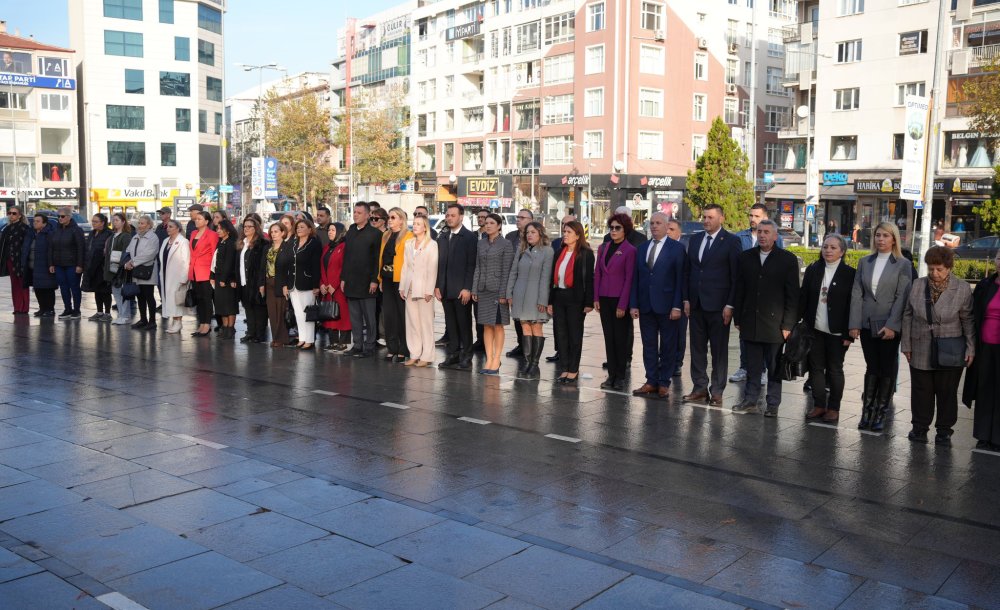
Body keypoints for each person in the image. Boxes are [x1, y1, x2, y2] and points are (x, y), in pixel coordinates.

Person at [901, 246, 975, 445]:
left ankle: (944, 431)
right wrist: (906, 344)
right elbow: (907, 315)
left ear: (949, 268)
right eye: (931, 268)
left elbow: (968, 320)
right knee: (921, 391)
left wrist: (971, 347)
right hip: (920, 345)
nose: (935, 273)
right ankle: (919, 427)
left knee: (947, 391)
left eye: (939, 269)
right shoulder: (917, 285)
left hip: (950, 348)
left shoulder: (962, 288)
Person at [849, 222, 913, 432]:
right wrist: (854, 323)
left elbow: (902, 298)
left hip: (888, 326)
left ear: (894, 239)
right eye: (878, 235)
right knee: (872, 367)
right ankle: (867, 412)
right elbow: (857, 293)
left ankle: (881, 413)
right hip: (867, 324)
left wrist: (892, 326)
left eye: (886, 235)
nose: (881, 239)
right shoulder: (864, 261)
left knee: (886, 368)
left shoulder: (903, 264)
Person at [731, 220, 800, 416]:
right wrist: (738, 318)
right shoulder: (746, 257)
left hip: (775, 325)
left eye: (767, 232)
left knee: (774, 367)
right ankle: (750, 399)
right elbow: (739, 289)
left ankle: (772, 404)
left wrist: (788, 324)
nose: (762, 235)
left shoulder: (787, 259)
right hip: (750, 321)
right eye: (760, 231)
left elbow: (793, 295)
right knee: (753, 366)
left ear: (775, 236)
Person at [683, 204, 742, 407]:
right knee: (697, 349)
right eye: (704, 217)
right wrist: (686, 299)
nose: (706, 221)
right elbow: (689, 271)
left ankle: (717, 391)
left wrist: (730, 304)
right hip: (696, 304)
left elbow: (735, 277)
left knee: (718, 351)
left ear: (721, 219)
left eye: (710, 217)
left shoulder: (731, 241)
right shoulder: (695, 239)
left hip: (719, 306)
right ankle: (699, 388)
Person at [799, 234, 855, 423]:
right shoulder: (813, 269)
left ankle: (833, 408)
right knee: (815, 368)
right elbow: (803, 297)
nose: (828, 250)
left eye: (833, 247)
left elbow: (852, 305)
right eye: (825, 247)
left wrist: (849, 333)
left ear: (842, 251)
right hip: (814, 329)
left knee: (834, 369)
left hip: (838, 332)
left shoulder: (850, 274)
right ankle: (819, 405)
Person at [629, 213, 685, 399]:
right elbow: (636, 278)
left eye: (658, 223)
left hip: (668, 306)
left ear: (667, 226)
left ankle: (664, 382)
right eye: (652, 223)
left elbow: (680, 279)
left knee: (668, 346)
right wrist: (634, 304)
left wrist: (677, 306)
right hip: (646, 305)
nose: (654, 226)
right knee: (649, 345)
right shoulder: (642, 248)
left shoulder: (677, 248)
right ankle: (651, 380)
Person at [731, 204, 783, 383]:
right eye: (751, 215)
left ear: (765, 217)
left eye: (757, 216)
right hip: (747, 294)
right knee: (745, 335)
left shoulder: (776, 238)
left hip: (767, 298)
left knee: (765, 336)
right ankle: (744, 367)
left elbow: (778, 261)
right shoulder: (739, 237)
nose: (753, 219)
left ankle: (763, 369)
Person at [594, 213, 637, 391]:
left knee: (620, 339)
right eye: (611, 227)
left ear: (625, 230)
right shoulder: (603, 247)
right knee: (609, 338)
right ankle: (611, 375)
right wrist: (596, 298)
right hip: (604, 298)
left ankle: (620, 377)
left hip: (619, 300)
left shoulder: (630, 250)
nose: (613, 231)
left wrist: (623, 304)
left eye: (617, 228)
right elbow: (597, 274)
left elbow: (629, 279)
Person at [506, 221, 554, 378]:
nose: (529, 235)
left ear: (540, 233)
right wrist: (509, 293)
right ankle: (527, 363)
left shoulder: (547, 251)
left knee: (536, 328)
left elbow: (546, 278)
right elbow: (513, 272)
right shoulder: (521, 250)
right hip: (520, 294)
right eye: (527, 232)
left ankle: (534, 365)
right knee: (525, 328)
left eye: (533, 232)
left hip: (536, 295)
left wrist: (543, 300)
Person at [549, 220, 594, 385]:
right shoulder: (559, 252)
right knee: (561, 335)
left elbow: (589, 279)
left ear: (578, 235)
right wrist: (550, 301)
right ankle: (564, 368)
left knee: (574, 335)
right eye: (564, 231)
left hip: (576, 299)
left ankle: (573, 370)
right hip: (559, 296)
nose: (565, 235)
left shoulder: (586, 253)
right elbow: (552, 278)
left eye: (569, 232)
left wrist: (588, 302)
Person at [964, 250, 1000, 452]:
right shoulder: (985, 285)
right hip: (984, 346)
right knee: (984, 390)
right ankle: (983, 436)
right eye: (999, 258)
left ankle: (997, 437)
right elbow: (972, 315)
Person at [436, 203, 479, 370]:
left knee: (464, 324)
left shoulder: (469, 237)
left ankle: (466, 355)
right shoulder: (443, 237)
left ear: (461, 217)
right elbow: (440, 265)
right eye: (447, 215)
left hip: (462, 290)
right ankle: (453, 354)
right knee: (451, 324)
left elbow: (472, 265)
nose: (449, 218)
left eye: (453, 215)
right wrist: (438, 286)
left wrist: (467, 288)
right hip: (445, 289)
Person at [472, 213, 514, 375]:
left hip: (497, 291)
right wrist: (475, 288)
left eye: (491, 223)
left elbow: (507, 270)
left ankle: (497, 359)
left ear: (499, 226)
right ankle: (489, 359)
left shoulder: (506, 244)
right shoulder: (480, 243)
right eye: (486, 223)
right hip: (483, 289)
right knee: (486, 325)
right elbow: (477, 267)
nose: (488, 226)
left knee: (497, 325)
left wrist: (503, 293)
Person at [342, 202, 382, 358]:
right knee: (355, 317)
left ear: (367, 215)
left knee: (369, 317)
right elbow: (347, 257)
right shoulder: (351, 230)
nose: (355, 215)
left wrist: (375, 280)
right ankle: (357, 345)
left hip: (367, 282)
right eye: (354, 212)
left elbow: (377, 259)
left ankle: (370, 346)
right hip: (351, 281)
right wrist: (343, 278)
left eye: (359, 213)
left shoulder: (375, 233)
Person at [400, 215, 439, 367]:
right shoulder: (409, 243)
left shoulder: (432, 244)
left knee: (426, 324)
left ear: (425, 227)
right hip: (409, 288)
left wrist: (429, 290)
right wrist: (402, 286)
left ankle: (427, 355)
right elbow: (405, 266)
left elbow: (432, 268)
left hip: (424, 289)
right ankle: (414, 354)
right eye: (414, 223)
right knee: (412, 324)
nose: (415, 226)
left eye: (418, 224)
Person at [379, 208, 414, 362]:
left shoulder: (408, 236)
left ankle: (403, 349)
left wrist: (408, 282)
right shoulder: (385, 235)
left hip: (401, 279)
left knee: (402, 315)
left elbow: (410, 261)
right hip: (386, 278)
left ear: (401, 220)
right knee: (389, 315)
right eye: (389, 217)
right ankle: (391, 348)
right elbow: (381, 258)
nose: (390, 220)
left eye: (393, 217)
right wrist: (380, 278)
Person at [285, 218, 322, 350]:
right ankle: (302, 338)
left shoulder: (314, 243)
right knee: (298, 313)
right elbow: (288, 263)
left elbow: (316, 266)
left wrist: (316, 285)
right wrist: (286, 283)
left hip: (307, 283)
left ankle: (309, 340)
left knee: (308, 313)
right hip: (293, 284)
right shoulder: (293, 243)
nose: (299, 229)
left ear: (310, 229)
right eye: (297, 227)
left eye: (302, 227)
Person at [545, 214, 576, 365]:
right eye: (563, 224)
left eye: (569, 225)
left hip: (573, 295)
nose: (565, 227)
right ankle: (560, 351)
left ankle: (571, 357)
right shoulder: (557, 243)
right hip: (558, 293)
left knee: (571, 328)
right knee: (558, 326)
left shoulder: (584, 248)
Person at [123, 216, 161, 331]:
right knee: (140, 296)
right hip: (136, 270)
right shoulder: (135, 237)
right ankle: (143, 319)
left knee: (148, 296)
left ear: (149, 225)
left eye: (142, 223)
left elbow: (149, 254)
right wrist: (127, 262)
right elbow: (128, 251)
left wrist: (132, 263)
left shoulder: (153, 237)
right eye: (139, 223)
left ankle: (152, 321)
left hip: (147, 271)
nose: (140, 225)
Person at [505, 209, 534, 359]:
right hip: (513, 281)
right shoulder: (510, 237)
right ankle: (521, 345)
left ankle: (530, 348)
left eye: (522, 217)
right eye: (518, 217)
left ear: (531, 220)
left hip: (529, 283)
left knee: (529, 318)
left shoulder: (535, 237)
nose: (518, 220)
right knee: (516, 316)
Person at [48, 207, 86, 320]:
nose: (60, 218)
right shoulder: (56, 230)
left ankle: (76, 310)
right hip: (59, 264)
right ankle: (67, 309)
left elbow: (81, 248)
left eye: (63, 216)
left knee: (74, 287)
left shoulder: (76, 230)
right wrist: (51, 263)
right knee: (63, 288)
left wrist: (80, 265)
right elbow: (51, 248)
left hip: (72, 264)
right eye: (58, 216)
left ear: (69, 217)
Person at [259, 222, 292, 348]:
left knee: (281, 312)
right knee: (272, 312)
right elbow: (262, 267)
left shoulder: (288, 247)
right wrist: (261, 284)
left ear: (283, 233)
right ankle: (275, 338)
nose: (273, 234)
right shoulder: (267, 248)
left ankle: (282, 338)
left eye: (276, 231)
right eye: (271, 232)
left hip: (281, 283)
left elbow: (289, 267)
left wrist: (286, 284)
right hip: (268, 282)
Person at [320, 222, 351, 351]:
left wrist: (334, 284)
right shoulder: (326, 247)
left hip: (339, 288)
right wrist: (322, 284)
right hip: (327, 287)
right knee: (330, 313)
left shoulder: (344, 246)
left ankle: (344, 342)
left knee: (343, 314)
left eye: (333, 230)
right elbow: (322, 267)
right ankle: (333, 341)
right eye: (329, 230)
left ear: (340, 232)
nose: (330, 232)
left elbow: (344, 267)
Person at [188, 211, 219, 337]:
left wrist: (213, 274)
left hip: (206, 271)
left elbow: (215, 254)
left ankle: (207, 325)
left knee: (206, 299)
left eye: (199, 219)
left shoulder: (212, 234)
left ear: (206, 221)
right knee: (199, 299)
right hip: (194, 270)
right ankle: (201, 324)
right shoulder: (193, 233)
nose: (196, 221)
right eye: (196, 219)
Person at [238, 217, 267, 343]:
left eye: (249, 226)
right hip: (244, 281)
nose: (246, 229)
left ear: (256, 228)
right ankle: (250, 332)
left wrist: (261, 283)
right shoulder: (241, 243)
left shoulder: (262, 244)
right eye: (245, 226)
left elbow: (263, 265)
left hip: (256, 281)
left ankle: (259, 335)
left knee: (259, 309)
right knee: (248, 307)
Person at [22, 213, 58, 318]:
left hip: (45, 265)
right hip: (32, 266)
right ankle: (42, 308)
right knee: (37, 288)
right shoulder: (31, 233)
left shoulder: (49, 234)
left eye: (38, 221)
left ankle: (50, 310)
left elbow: (52, 250)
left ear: (44, 223)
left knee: (47, 289)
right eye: (34, 221)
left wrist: (51, 264)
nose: (35, 223)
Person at [158, 220, 190, 334]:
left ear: (178, 228)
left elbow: (186, 260)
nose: (168, 228)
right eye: (167, 226)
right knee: (169, 299)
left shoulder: (183, 242)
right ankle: (174, 321)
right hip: (166, 275)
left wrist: (184, 278)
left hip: (177, 276)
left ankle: (178, 322)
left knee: (177, 300)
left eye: (171, 227)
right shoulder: (165, 241)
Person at [666, 218, 688, 376]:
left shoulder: (686, 248)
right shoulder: (661, 246)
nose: (668, 232)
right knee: (665, 332)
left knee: (680, 332)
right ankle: (665, 360)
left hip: (681, 297)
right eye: (667, 228)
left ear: (680, 232)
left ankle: (677, 363)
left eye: (672, 229)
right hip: (664, 296)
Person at [210, 220, 239, 339]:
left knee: (229, 305)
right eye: (217, 228)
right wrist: (212, 276)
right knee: (221, 305)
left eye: (220, 229)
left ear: (228, 230)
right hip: (218, 277)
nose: (218, 231)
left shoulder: (231, 243)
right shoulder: (220, 242)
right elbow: (215, 261)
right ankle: (225, 327)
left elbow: (229, 263)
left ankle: (230, 329)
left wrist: (224, 278)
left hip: (228, 279)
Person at [82, 213, 113, 321]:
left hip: (102, 266)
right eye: (93, 221)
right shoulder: (92, 233)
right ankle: (99, 312)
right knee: (96, 290)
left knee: (105, 291)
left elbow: (108, 251)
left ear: (102, 223)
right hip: (92, 266)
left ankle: (107, 313)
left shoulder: (109, 233)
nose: (93, 223)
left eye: (96, 221)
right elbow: (88, 249)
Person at [104, 213, 134, 325]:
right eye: (113, 220)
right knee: (116, 292)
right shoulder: (113, 236)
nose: (114, 222)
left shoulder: (126, 236)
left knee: (123, 293)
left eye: (117, 220)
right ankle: (121, 314)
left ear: (123, 222)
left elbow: (126, 253)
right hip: (112, 267)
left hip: (121, 269)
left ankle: (125, 316)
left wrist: (121, 265)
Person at [0, 207, 30, 314]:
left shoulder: (25, 228)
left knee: (23, 283)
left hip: (21, 260)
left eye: (14, 213)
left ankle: (24, 308)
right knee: (14, 284)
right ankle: (17, 307)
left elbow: (27, 246)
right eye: (10, 213)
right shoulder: (7, 228)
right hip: (9, 260)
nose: (11, 215)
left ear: (20, 215)